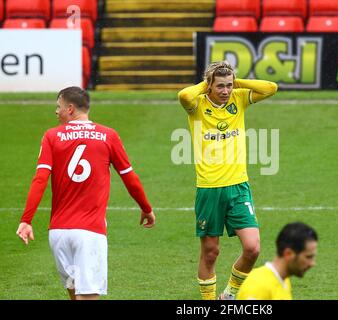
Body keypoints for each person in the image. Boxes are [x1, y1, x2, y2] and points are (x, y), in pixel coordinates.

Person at [16, 86, 155, 300]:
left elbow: (40, 179)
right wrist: (146, 208)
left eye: (58, 106)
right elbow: (129, 178)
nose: (56, 111)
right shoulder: (108, 135)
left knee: (74, 293)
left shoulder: (52, 136)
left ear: (70, 109)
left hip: (59, 234)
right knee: (88, 295)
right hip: (90, 233)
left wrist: (26, 220)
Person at [177, 61, 278, 300]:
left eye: (229, 85)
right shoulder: (197, 105)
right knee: (211, 253)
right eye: (220, 86)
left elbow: (271, 87)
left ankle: (230, 294)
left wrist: (237, 82)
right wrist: (208, 81)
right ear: (209, 86)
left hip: (238, 186)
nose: (225, 91)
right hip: (209, 189)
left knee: (252, 247)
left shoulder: (238, 99)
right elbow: (183, 94)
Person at [236, 222, 318, 300]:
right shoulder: (258, 286)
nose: (312, 263)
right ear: (288, 254)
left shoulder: (284, 280)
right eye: (308, 257)